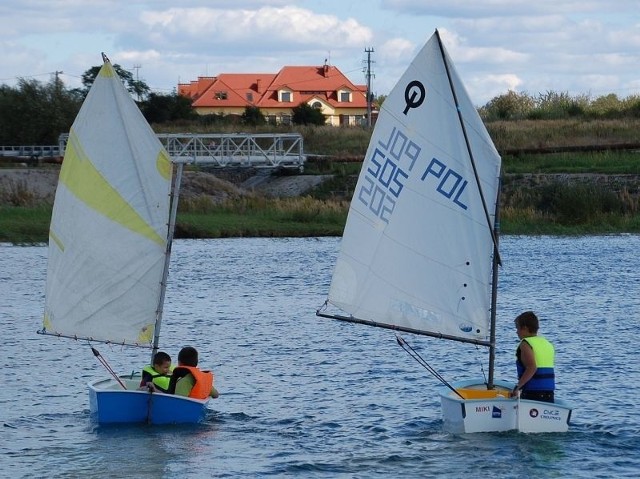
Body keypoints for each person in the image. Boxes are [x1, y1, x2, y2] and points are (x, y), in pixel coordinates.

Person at [511, 311, 555, 403]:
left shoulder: (525, 344)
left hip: (533, 394)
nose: (517, 332)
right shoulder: (547, 344)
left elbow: (532, 367)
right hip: (549, 393)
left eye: (518, 328)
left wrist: (517, 387)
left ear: (525, 328)